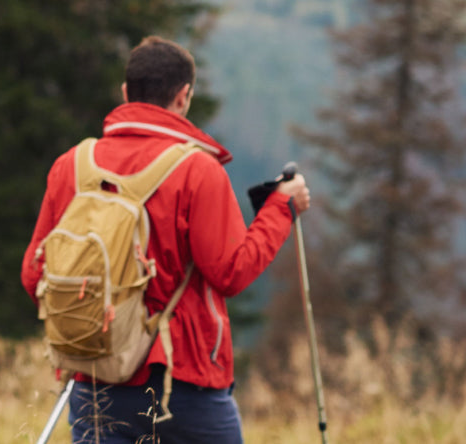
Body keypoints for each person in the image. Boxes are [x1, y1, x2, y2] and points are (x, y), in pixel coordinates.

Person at [21, 36, 309, 444]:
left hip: (95, 384)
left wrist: (102, 327)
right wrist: (281, 208)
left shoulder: (71, 166)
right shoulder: (198, 171)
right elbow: (230, 273)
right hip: (182, 387)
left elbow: (35, 276)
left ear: (125, 93)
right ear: (184, 96)